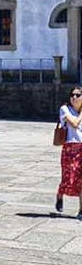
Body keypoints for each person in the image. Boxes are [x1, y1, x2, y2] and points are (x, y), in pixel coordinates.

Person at [55, 87, 82, 217]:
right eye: (72, 95)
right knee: (68, 177)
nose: (74, 98)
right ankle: (60, 195)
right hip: (70, 147)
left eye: (78, 95)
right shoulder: (64, 109)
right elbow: (74, 123)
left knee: (81, 179)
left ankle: (81, 209)